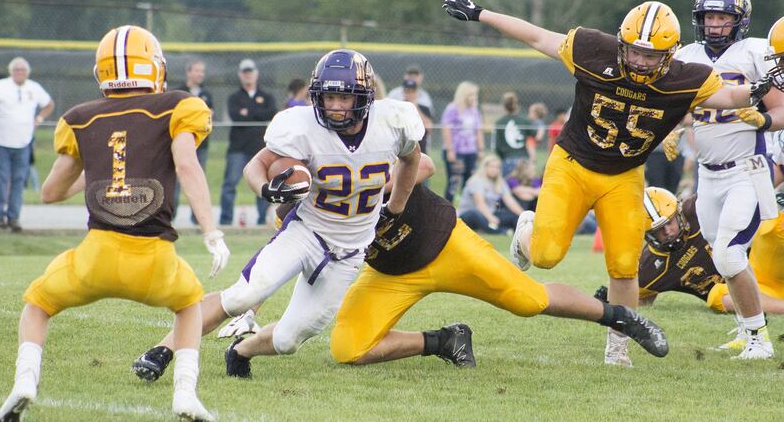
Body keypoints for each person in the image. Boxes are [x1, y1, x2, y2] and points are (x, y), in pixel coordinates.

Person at [442, 0, 774, 366]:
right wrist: (481, 14)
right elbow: (538, 37)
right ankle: (526, 231)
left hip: (623, 175)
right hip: (572, 165)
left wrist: (757, 90)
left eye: (650, 56)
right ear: (620, 42)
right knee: (547, 256)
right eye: (633, 51)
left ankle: (617, 348)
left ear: (671, 54)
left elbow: (728, 95)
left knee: (623, 265)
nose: (639, 61)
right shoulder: (591, 49)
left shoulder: (686, 77)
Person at [131, 49, 422, 380]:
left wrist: (395, 207)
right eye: (328, 96)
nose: (336, 106)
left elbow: (413, 159)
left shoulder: (393, 122)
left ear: (364, 96)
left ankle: (240, 350)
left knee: (287, 340)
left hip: (350, 253)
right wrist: (265, 190)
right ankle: (162, 350)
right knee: (244, 296)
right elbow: (256, 165)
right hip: (306, 232)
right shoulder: (301, 125)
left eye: (344, 96)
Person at [220, 155, 669, 369]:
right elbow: (274, 261)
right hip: (389, 273)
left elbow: (426, 164)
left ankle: (620, 316)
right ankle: (446, 341)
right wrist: (250, 312)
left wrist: (381, 192)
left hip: (445, 242)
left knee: (529, 301)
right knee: (348, 349)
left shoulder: (359, 157)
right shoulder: (298, 213)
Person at [0, 25, 230, 422]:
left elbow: (51, 191)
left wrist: (105, 168)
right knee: (190, 305)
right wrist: (212, 232)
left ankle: (25, 381)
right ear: (153, 67)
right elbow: (187, 166)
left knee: (37, 304)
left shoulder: (82, 117)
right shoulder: (177, 105)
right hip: (154, 258)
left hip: (95, 257)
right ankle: (185, 394)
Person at [669, 0, 784, 359]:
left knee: (730, 254)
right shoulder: (686, 55)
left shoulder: (754, 53)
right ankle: (744, 331)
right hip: (708, 173)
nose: (715, 25)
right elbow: (683, 107)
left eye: (722, 17)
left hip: (748, 170)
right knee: (725, 257)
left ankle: (759, 340)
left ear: (739, 21)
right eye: (709, 18)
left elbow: (781, 109)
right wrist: (673, 128)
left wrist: (763, 120)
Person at [595, 185, 784, 345]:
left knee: (772, 229)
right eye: (658, 231)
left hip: (760, 264)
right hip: (757, 290)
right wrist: (609, 301)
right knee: (717, 295)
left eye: (670, 223)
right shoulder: (650, 266)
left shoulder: (698, 208)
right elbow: (639, 297)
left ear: (678, 211)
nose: (668, 232)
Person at [0, 57, 54, 233]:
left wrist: (39, 118)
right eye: (16, 70)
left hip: (24, 142)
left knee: (19, 180)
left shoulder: (34, 88)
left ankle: (14, 217)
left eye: (22, 70)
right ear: (11, 71)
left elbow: (49, 104)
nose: (19, 73)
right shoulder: (0, 87)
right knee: (1, 179)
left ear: (27, 73)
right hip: (1, 141)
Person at [220, 58, 278, 226]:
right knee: (230, 183)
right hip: (237, 147)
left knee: (262, 184)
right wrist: (257, 111)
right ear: (240, 75)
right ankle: (225, 220)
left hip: (259, 148)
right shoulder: (234, 97)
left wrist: (249, 110)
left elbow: (271, 113)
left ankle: (262, 220)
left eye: (250, 72)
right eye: (245, 72)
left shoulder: (266, 96)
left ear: (256, 74)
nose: (248, 76)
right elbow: (236, 115)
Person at [174, 60, 214, 225]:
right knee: (176, 179)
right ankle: (170, 216)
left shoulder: (207, 94)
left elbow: (209, 116)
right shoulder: (179, 92)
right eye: (197, 71)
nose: (200, 74)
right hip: (180, 144)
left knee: (198, 179)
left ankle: (198, 219)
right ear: (189, 72)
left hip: (201, 144)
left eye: (202, 71)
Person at [441, 81, 484, 202]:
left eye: (475, 95)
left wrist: (480, 149)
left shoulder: (475, 110)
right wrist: (450, 150)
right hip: (456, 151)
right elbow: (446, 130)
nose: (474, 98)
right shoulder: (452, 109)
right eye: (471, 95)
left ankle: (465, 209)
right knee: (454, 182)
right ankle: (447, 210)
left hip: (471, 151)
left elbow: (478, 131)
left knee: (469, 182)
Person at [458, 154, 523, 234]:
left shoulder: (500, 183)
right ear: (485, 167)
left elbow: (510, 202)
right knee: (476, 215)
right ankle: (500, 231)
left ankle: (518, 231)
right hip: (470, 214)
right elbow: (480, 204)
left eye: (497, 167)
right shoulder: (477, 181)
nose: (494, 169)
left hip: (489, 213)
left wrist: (524, 216)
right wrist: (491, 218)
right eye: (492, 166)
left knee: (513, 217)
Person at [493, 92, 535, 176]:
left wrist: (503, 157)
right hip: (524, 158)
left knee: (508, 184)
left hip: (507, 159)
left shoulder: (499, 122)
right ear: (517, 106)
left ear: (504, 107)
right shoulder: (524, 121)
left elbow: (497, 147)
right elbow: (535, 135)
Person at [401, 78, 433, 152]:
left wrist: (415, 107)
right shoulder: (398, 108)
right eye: (407, 91)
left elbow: (429, 127)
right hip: (403, 148)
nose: (410, 94)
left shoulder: (424, 108)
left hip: (421, 147)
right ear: (403, 92)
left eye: (412, 92)